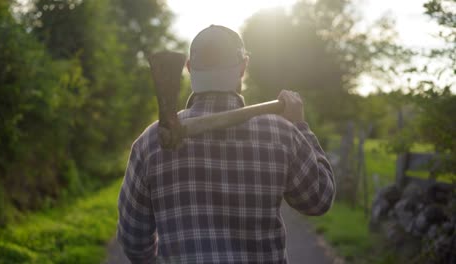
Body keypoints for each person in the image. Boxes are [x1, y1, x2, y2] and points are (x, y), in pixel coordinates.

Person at [117, 25, 335, 264]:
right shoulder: (282, 134)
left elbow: (133, 241)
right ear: (243, 67)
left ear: (189, 68)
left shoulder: (149, 143)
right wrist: (301, 127)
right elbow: (319, 199)